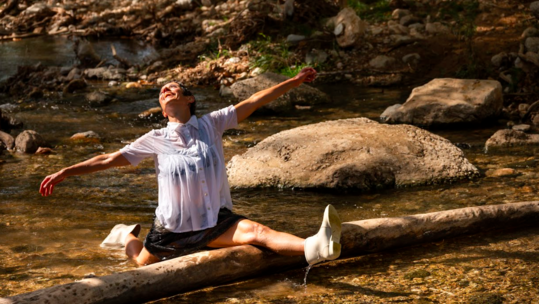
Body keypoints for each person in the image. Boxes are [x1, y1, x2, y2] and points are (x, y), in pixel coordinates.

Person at [39, 67, 341, 267]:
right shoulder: (154, 139)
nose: (166, 90)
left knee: (257, 231)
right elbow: (106, 159)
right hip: (171, 228)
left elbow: (254, 100)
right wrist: (65, 171)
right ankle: (124, 235)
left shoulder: (212, 124)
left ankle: (315, 247)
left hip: (213, 222)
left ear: (189, 99)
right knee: (142, 263)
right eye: (162, 91)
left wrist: (295, 81)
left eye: (173, 88)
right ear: (161, 108)